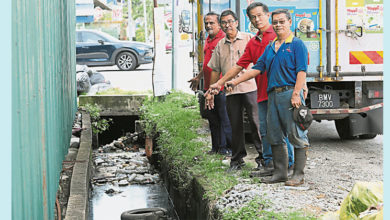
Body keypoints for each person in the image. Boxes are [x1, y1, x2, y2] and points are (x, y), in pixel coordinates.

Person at [225, 9, 310, 185]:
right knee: (274, 135)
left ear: (289, 22)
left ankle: (298, 175)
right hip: (273, 96)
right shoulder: (271, 47)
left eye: (282, 22)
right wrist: (236, 81)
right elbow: (257, 68)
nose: (278, 25)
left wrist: (296, 94)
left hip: (289, 94)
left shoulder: (296, 44)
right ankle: (280, 173)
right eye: (276, 22)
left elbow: (302, 70)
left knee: (296, 134)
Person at [208, 2, 295, 173]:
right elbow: (244, 67)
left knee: (286, 132)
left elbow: (299, 67)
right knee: (266, 131)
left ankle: (291, 167)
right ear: (249, 20)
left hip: (280, 92)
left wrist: (300, 89)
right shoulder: (255, 41)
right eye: (253, 17)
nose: (257, 20)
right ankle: (270, 165)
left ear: (267, 15)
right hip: (262, 93)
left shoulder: (279, 38)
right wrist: (222, 83)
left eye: (260, 16)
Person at [205, 9, 263, 172]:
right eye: (224, 22)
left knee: (256, 123)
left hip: (251, 87)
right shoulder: (220, 45)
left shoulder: (249, 39)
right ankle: (237, 160)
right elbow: (215, 69)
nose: (227, 25)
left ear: (237, 22)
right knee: (234, 125)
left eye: (230, 21)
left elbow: (260, 63)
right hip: (230, 91)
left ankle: (263, 158)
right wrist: (211, 91)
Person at [188, 12, 232, 155]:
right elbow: (208, 64)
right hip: (208, 87)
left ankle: (226, 149)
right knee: (212, 119)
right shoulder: (208, 39)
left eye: (211, 23)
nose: (208, 26)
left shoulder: (223, 40)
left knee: (224, 118)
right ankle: (216, 148)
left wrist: (217, 86)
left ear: (219, 24)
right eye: (206, 23)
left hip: (219, 87)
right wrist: (198, 77)